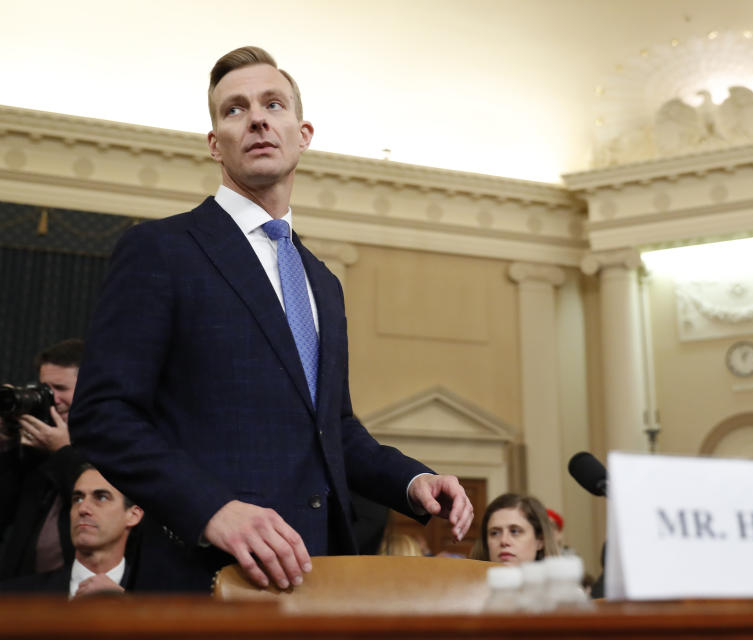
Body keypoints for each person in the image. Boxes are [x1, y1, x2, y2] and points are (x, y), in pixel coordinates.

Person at [69, 46, 472, 592]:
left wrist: (412, 480)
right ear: (216, 144)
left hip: (321, 577)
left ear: (302, 133)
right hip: (206, 577)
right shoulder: (160, 250)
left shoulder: (322, 282)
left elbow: (333, 428)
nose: (257, 117)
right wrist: (211, 510)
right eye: (234, 109)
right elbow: (103, 415)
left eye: (273, 104)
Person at [0, 339, 87, 580]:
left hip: (71, 590)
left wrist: (62, 451)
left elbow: (94, 507)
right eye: (44, 389)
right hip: (18, 586)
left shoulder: (114, 445)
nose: (51, 398)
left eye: (60, 388)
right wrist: (6, 443)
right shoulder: (35, 447)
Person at [0, 464, 143, 597]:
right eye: (78, 499)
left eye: (101, 497)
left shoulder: (157, 597)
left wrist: (125, 602)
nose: (82, 509)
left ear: (133, 515)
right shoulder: (14, 597)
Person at [470, 493, 559, 565]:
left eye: (514, 531)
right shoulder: (466, 585)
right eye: (495, 533)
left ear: (540, 540)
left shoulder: (562, 586)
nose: (504, 541)